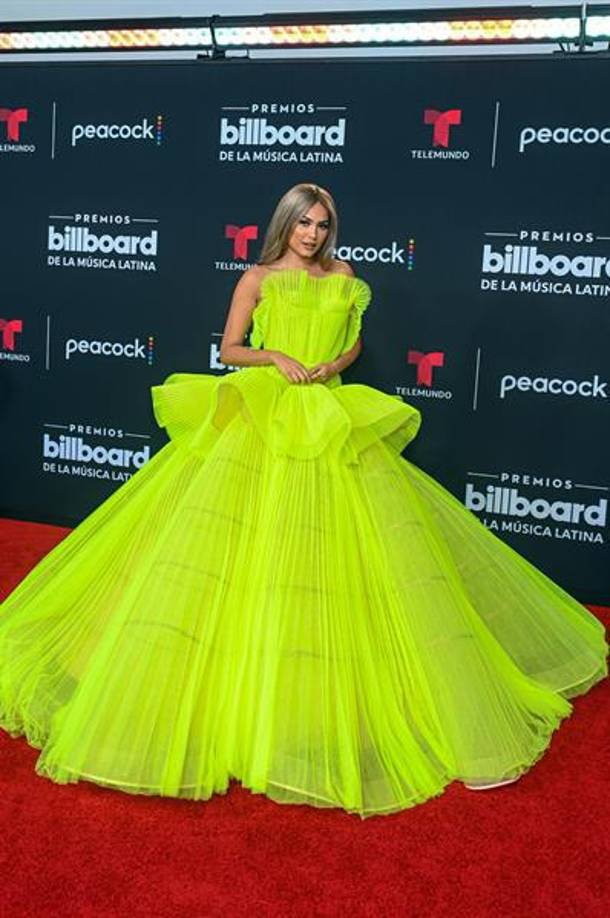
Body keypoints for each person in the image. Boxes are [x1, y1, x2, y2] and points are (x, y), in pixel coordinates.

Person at [0, 182, 607, 819]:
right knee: (241, 554)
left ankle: (317, 701)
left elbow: (354, 344)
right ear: (284, 224)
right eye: (303, 224)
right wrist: (277, 357)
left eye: (322, 224)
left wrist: (332, 363)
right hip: (265, 416)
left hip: (330, 414)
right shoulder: (257, 277)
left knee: (337, 556)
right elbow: (229, 349)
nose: (312, 235)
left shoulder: (346, 276)